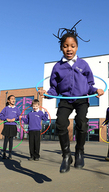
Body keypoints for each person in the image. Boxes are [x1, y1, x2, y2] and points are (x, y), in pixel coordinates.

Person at [39, 20, 104, 173]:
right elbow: (54, 89)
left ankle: (80, 151)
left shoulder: (83, 64)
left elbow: (89, 85)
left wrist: (97, 90)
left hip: (81, 99)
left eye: (72, 46)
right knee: (61, 124)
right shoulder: (58, 67)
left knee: (81, 122)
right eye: (65, 46)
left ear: (77, 47)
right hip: (65, 99)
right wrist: (47, 94)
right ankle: (66, 155)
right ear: (61, 47)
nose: (69, 49)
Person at [0, 95, 21, 160]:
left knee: (11, 140)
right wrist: (6, 119)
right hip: (7, 125)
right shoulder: (6, 108)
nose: (13, 100)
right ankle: (4, 153)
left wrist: (15, 119)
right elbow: (0, 116)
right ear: (8, 101)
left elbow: (19, 117)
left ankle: (10, 154)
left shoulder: (16, 109)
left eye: (14, 99)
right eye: (12, 99)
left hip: (13, 126)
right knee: (6, 140)